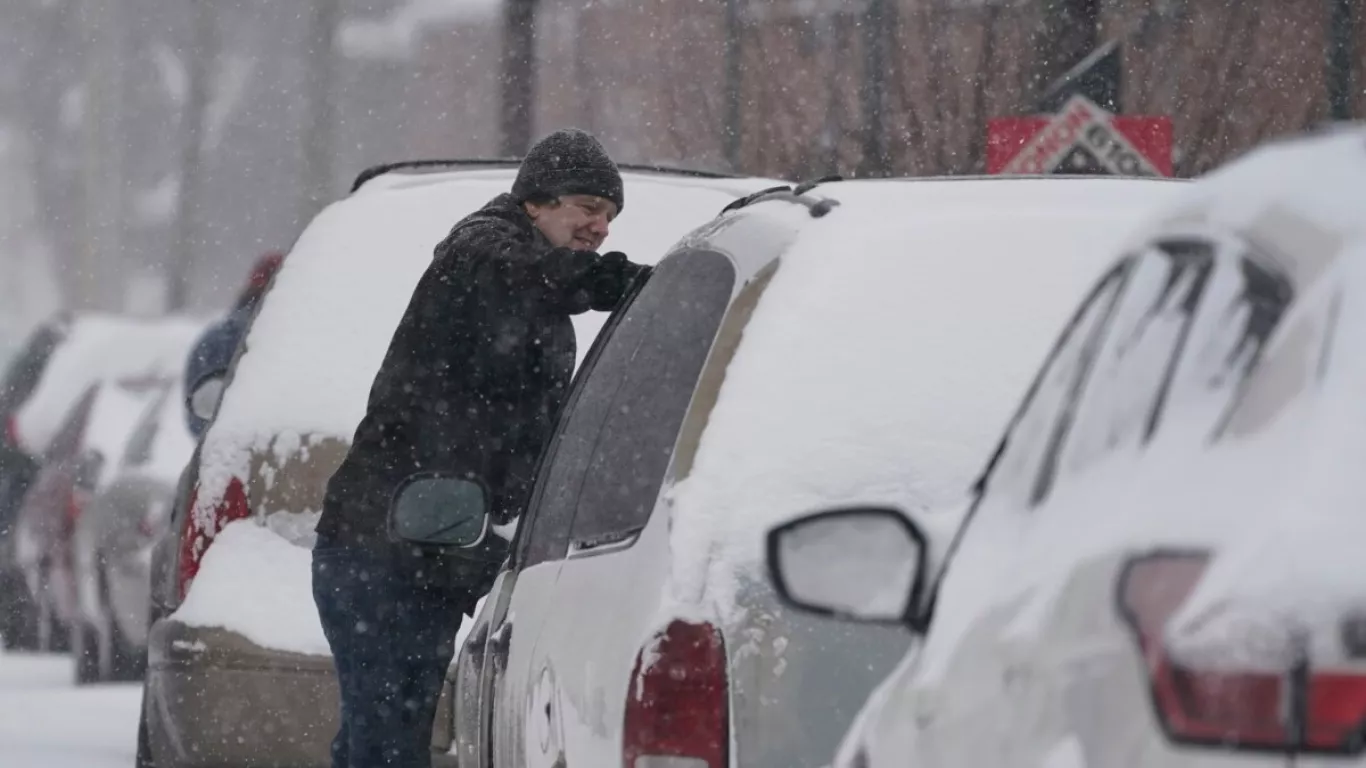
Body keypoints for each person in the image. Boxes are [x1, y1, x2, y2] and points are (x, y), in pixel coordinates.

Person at [311, 128, 651, 768]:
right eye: (587, 207)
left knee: (385, 741)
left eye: (610, 216)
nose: (600, 227)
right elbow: (535, 276)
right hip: (377, 548)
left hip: (436, 548)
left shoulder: (532, 294)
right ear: (534, 202)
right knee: (385, 743)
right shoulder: (479, 253)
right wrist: (641, 284)